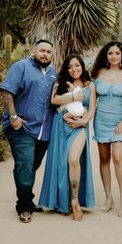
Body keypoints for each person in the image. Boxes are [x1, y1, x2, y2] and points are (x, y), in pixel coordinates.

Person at [0, 39, 57, 223]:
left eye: (49, 51)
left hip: (44, 130)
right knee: (25, 166)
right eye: (42, 50)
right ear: (34, 51)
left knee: (31, 167)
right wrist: (13, 117)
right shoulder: (21, 67)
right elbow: (7, 92)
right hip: (22, 128)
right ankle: (24, 206)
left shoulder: (53, 74)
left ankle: (27, 199)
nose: (45, 54)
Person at [38, 53, 97, 221]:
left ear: (82, 66)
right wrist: (73, 97)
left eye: (77, 65)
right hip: (61, 126)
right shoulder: (60, 83)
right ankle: (62, 202)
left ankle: (75, 200)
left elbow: (92, 108)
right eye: (70, 66)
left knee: (73, 160)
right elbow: (54, 100)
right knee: (60, 163)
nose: (74, 69)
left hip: (79, 127)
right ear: (66, 68)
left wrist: (83, 122)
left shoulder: (89, 85)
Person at [91, 41, 122, 217]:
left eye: (117, 53)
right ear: (105, 56)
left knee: (117, 157)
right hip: (101, 120)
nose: (113, 56)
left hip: (120, 121)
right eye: (110, 53)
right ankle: (109, 198)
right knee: (104, 159)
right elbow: (92, 100)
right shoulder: (98, 73)